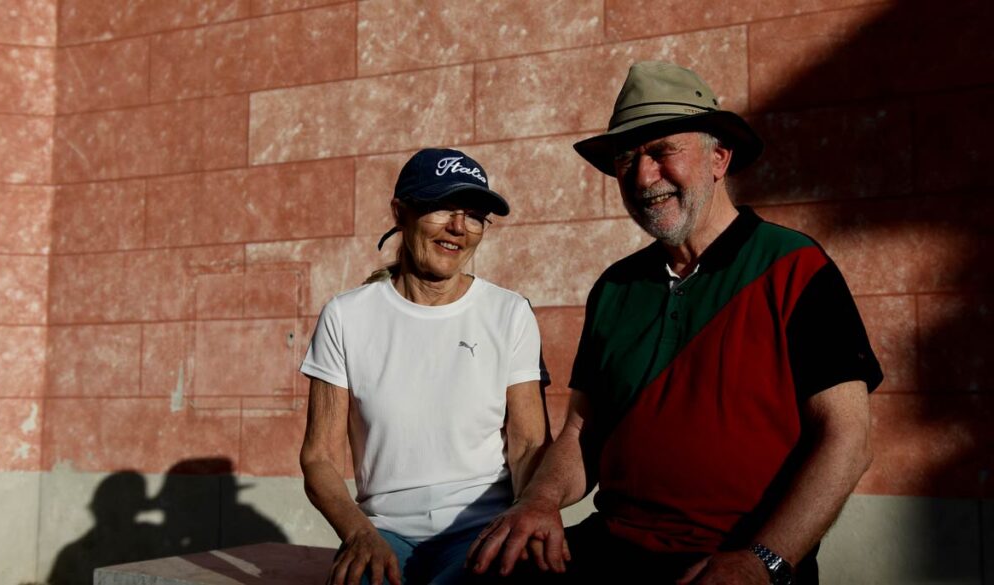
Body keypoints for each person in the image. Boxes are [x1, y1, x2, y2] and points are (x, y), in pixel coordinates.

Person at [466, 62, 883, 585]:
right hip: (615, 546)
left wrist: (764, 561)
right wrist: (539, 500)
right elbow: (580, 431)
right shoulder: (615, 287)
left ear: (719, 158)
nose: (643, 177)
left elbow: (848, 438)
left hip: (736, 556)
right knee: (489, 567)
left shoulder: (795, 267)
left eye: (663, 151)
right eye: (627, 159)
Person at [299, 148, 549, 585]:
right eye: (442, 208)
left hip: (481, 531)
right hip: (384, 533)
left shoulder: (508, 313)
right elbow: (319, 457)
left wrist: (528, 513)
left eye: (475, 216)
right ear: (401, 213)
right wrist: (359, 533)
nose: (458, 227)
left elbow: (528, 445)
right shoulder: (346, 316)